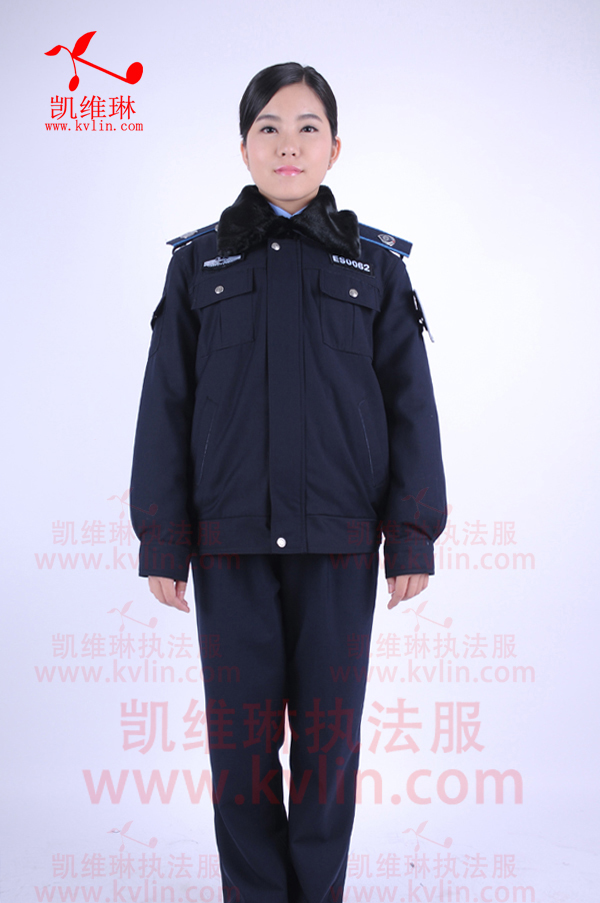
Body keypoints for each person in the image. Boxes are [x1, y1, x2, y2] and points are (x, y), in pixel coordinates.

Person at [130, 62, 446, 903]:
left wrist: (412, 533)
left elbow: (410, 405)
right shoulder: (198, 264)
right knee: (239, 749)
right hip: (228, 541)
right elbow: (167, 402)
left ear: (335, 148)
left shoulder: (375, 267)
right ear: (244, 147)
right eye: (268, 127)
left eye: (308, 127)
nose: (288, 144)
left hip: (340, 541)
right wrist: (162, 537)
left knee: (328, 749)